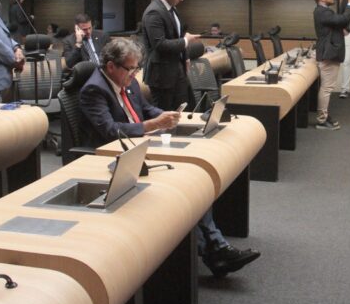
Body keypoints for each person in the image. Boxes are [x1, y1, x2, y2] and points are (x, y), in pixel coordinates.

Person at [79, 39, 260, 277]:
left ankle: (214, 248)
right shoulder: (94, 90)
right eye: (130, 69)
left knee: (194, 181)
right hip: (115, 157)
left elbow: (146, 109)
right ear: (111, 66)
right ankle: (215, 249)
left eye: (136, 69)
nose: (134, 74)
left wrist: (166, 115)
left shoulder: (129, 82)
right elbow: (111, 130)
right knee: (186, 186)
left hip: (142, 145)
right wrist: (152, 124)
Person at [141, 0, 201, 110]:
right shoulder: (154, 12)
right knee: (165, 117)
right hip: (162, 77)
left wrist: (185, 57)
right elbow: (160, 44)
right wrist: (185, 41)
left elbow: (177, 35)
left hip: (177, 71)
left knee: (183, 111)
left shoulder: (172, 9)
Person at [313, 0, 350, 130]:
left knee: (327, 87)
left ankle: (324, 114)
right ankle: (321, 120)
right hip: (329, 54)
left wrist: (349, 8)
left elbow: (341, 21)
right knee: (327, 88)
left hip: (329, 53)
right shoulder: (322, 12)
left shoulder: (324, 11)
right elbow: (342, 19)